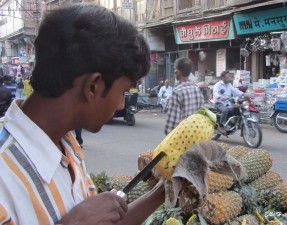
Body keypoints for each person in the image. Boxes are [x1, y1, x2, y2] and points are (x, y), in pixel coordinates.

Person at [0, 4, 164, 225]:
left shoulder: (67, 146)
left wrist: (163, 191)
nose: (120, 104)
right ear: (94, 86)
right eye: (123, 91)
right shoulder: (5, 175)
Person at [165, 57, 204, 135]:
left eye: (175, 69)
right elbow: (202, 114)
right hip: (196, 135)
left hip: (182, 138)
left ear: (177, 71)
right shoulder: (197, 89)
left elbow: (172, 123)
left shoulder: (177, 92)